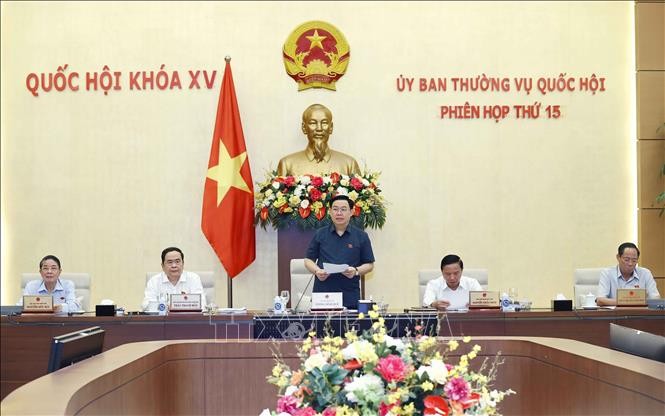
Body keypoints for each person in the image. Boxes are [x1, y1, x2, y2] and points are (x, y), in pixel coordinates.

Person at [304, 195, 375, 309]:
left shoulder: (361, 236)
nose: (339, 213)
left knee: (349, 327)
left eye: (343, 209)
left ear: (351, 212)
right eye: (335, 209)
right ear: (330, 212)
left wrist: (356, 271)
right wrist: (317, 271)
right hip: (323, 295)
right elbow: (308, 260)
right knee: (321, 326)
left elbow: (369, 265)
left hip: (349, 294)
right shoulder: (320, 234)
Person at [277, 104, 361, 176]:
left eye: (324, 123)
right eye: (313, 123)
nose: (319, 128)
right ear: (304, 128)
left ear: (331, 127)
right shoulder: (287, 164)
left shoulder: (349, 164)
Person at [142, 247, 207, 310]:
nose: (174, 265)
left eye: (177, 261)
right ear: (162, 266)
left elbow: (202, 304)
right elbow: (146, 305)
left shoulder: (193, 278)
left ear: (183, 263)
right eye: (170, 262)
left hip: (188, 319)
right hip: (162, 320)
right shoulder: (154, 281)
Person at [596, 242, 660, 306]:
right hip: (616, 314)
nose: (630, 264)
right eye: (626, 260)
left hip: (639, 314)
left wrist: (626, 302)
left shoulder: (645, 273)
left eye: (634, 260)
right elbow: (600, 300)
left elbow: (656, 299)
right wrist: (633, 302)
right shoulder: (607, 273)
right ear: (618, 257)